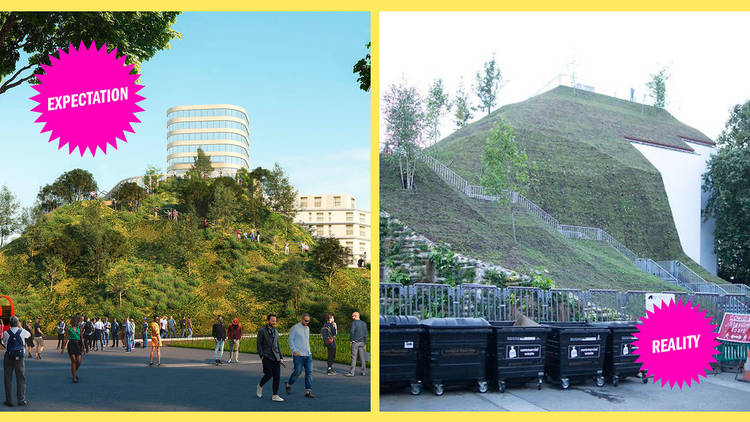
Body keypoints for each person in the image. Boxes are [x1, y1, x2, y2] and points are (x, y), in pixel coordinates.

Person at [2, 316, 30, 406]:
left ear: (10, 323)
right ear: (18, 323)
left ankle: (9, 400)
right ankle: (21, 399)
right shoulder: (22, 332)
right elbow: (29, 335)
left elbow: (3, 341)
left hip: (8, 357)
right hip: (19, 358)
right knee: (21, 378)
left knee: (8, 379)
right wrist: (20, 326)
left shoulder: (6, 333)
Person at [285, 313, 314, 398]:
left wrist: (309, 351)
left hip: (308, 355)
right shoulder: (295, 328)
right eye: (305, 320)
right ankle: (288, 383)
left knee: (309, 372)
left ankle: (308, 391)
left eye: (308, 321)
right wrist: (294, 351)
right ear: (301, 319)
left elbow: (306, 341)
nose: (307, 322)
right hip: (298, 355)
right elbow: (290, 341)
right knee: (298, 371)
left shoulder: (307, 328)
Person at [256, 314, 284, 402]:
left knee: (277, 376)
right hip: (266, 356)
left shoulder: (276, 332)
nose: (274, 322)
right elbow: (259, 344)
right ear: (268, 321)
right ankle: (260, 385)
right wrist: (261, 355)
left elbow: (278, 345)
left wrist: (281, 357)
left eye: (275, 321)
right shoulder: (262, 331)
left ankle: (275, 395)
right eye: (272, 321)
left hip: (276, 357)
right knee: (269, 374)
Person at [60, 316, 84, 384]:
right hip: (71, 345)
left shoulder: (80, 328)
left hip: (78, 345)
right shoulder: (69, 328)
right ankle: (74, 377)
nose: (77, 322)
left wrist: (84, 348)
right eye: (76, 321)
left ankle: (74, 372)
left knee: (79, 362)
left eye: (78, 321)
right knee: (73, 360)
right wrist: (63, 349)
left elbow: (82, 338)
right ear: (73, 321)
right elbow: (66, 339)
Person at [345, 311, 368, 377]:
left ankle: (352, 372)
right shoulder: (364, 323)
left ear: (356, 316)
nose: (352, 317)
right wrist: (365, 343)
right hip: (362, 342)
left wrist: (351, 340)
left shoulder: (354, 323)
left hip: (355, 342)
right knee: (362, 358)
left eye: (353, 316)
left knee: (353, 357)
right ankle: (363, 372)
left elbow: (352, 331)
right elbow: (365, 334)